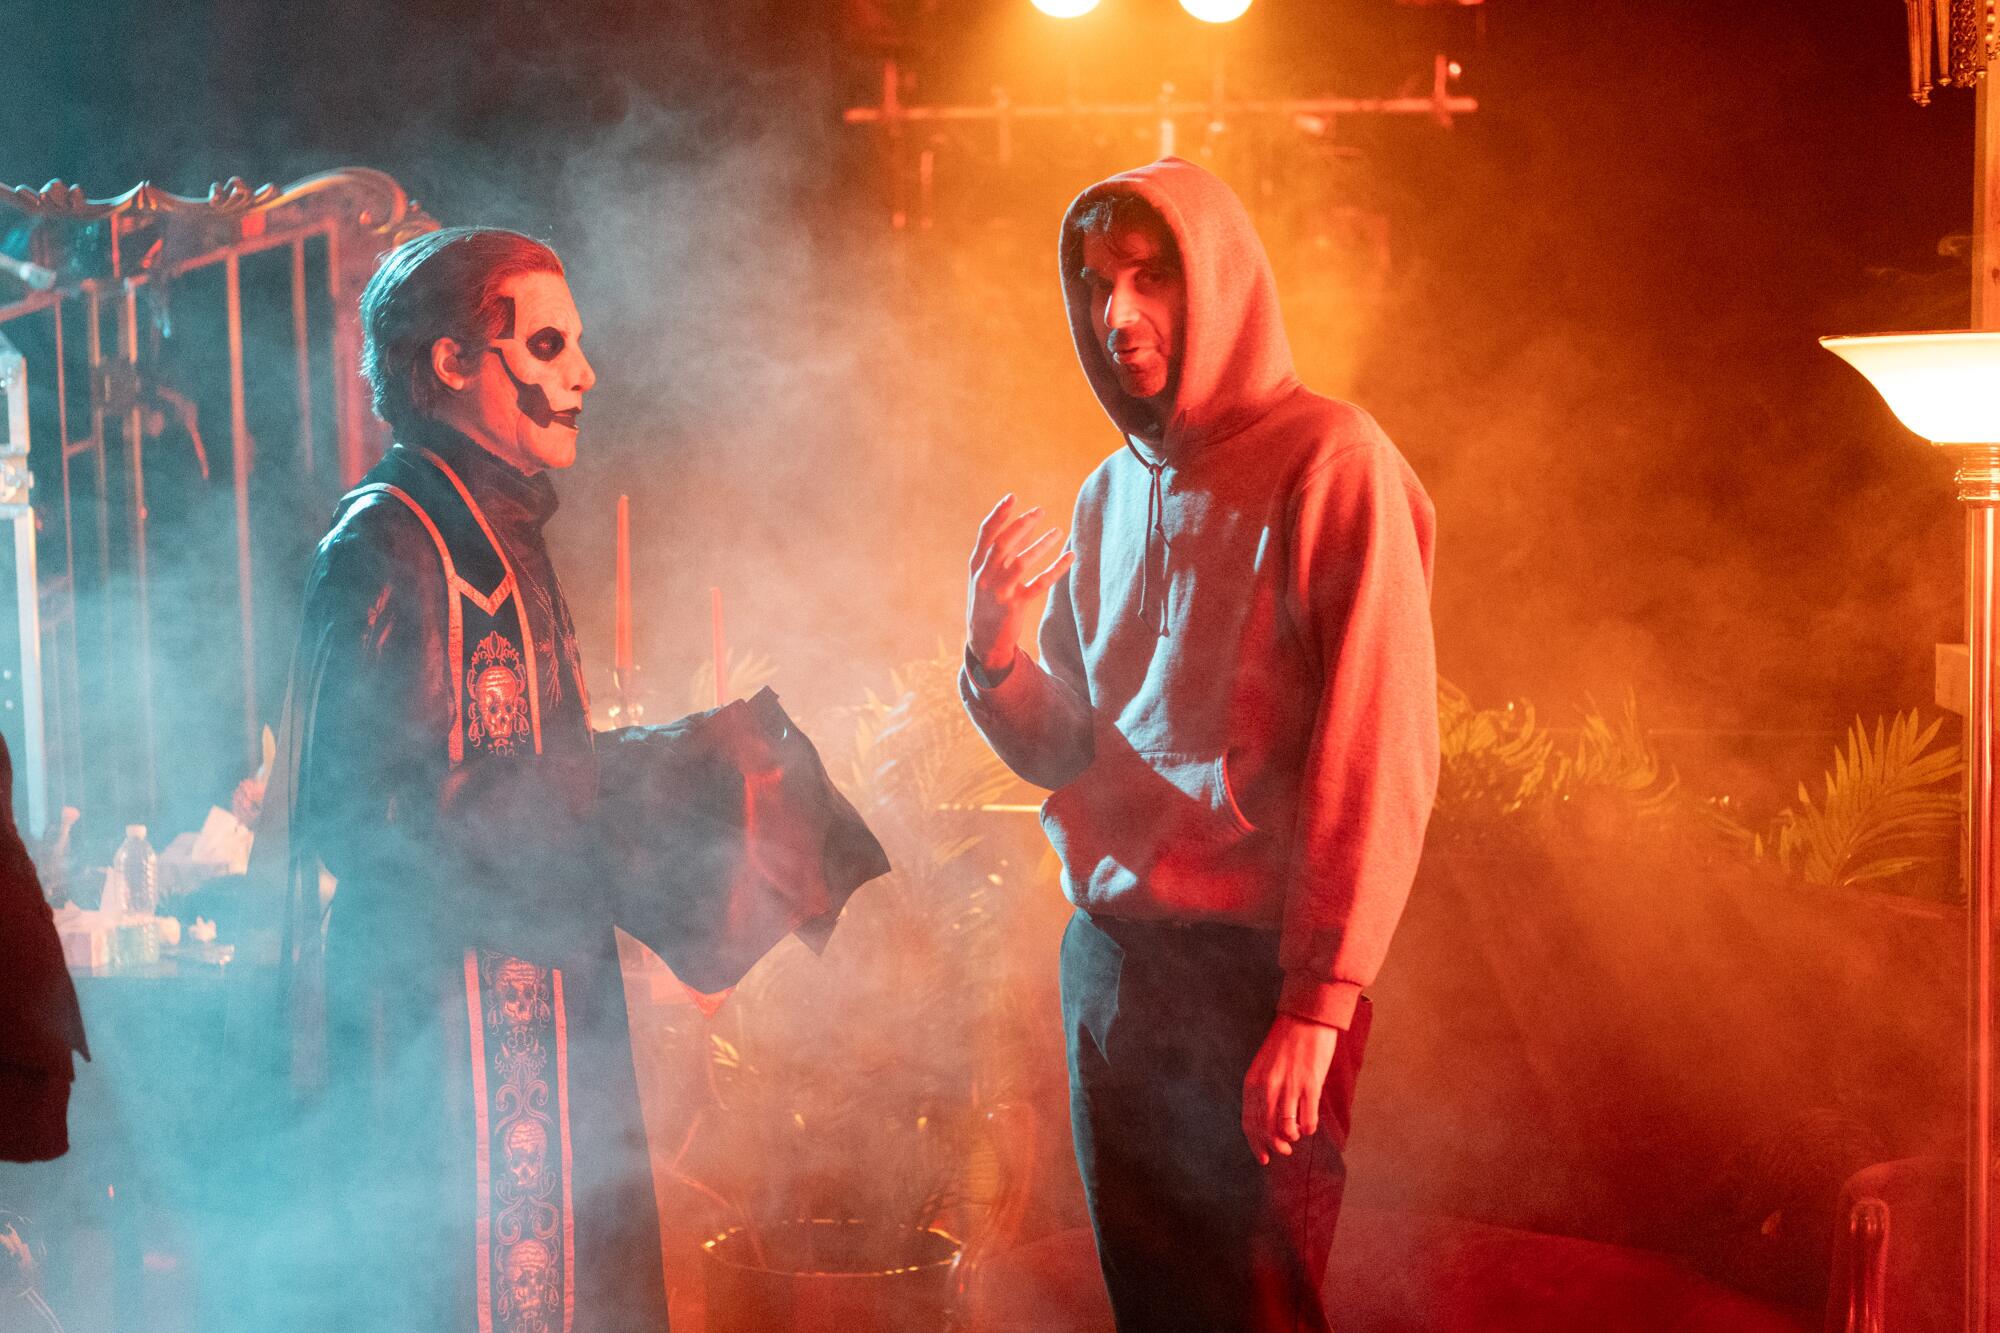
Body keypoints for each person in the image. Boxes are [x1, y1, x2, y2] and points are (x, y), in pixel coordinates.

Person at [960, 158, 1439, 1332]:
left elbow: (1376, 748)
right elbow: (1071, 747)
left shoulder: (1335, 462)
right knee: (1153, 1308)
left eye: (1147, 277)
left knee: (1253, 1309)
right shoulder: (1102, 498)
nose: (1114, 313)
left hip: (1250, 980)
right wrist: (995, 660)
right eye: (1092, 285)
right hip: (1111, 964)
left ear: (1216, 279)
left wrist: (1316, 1002)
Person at [269, 226, 666, 1332]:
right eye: (547, 343)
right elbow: (354, 817)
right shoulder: (389, 538)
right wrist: (607, 793)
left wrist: (644, 798)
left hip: (536, 998)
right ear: (450, 362)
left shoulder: (499, 525)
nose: (582, 374)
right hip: (439, 1037)